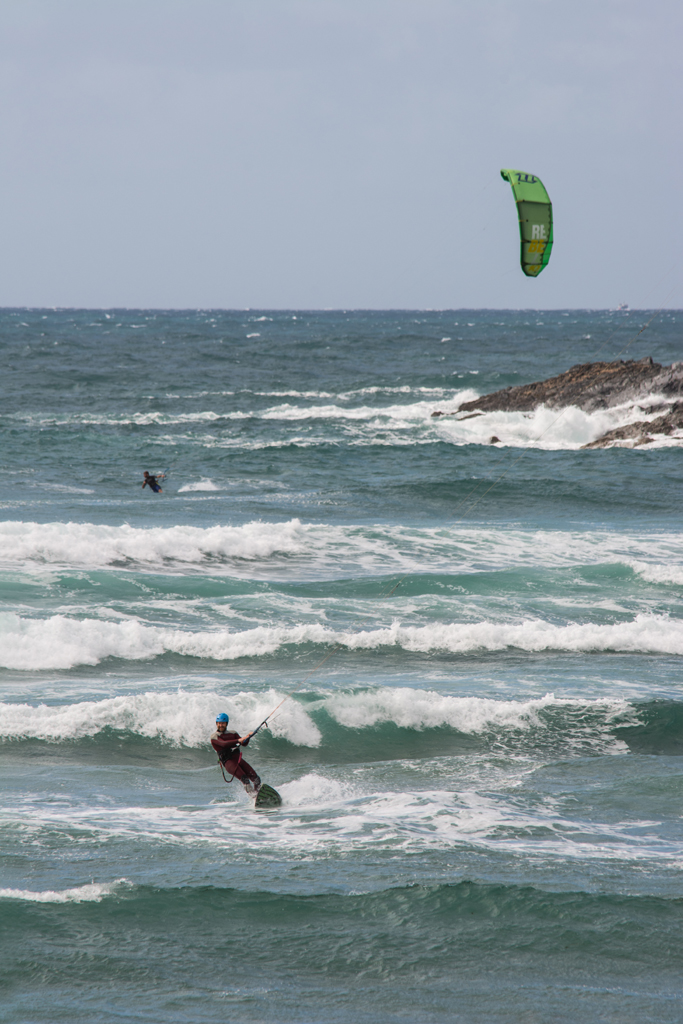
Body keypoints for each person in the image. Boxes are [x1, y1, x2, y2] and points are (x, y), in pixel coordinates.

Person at [210, 712, 261, 794]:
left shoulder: (233, 733)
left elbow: (244, 743)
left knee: (256, 778)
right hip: (228, 762)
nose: (220, 725)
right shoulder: (214, 736)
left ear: (226, 724)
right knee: (245, 779)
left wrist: (248, 737)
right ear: (216, 724)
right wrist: (238, 740)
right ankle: (254, 797)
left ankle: (259, 794)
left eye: (223, 723)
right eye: (219, 723)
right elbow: (224, 744)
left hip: (238, 760)